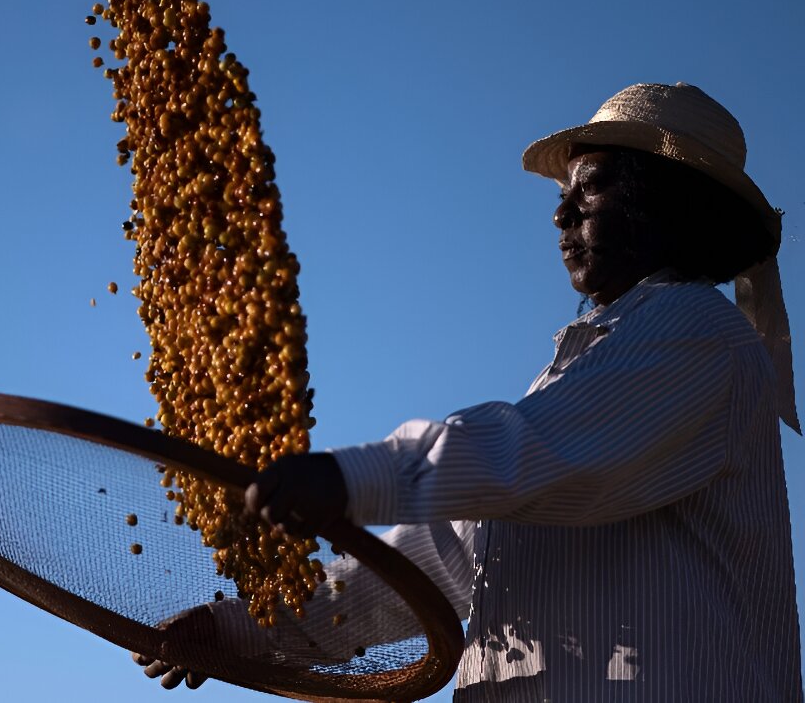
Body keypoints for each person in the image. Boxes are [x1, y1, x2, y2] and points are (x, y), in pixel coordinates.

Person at [137, 83, 803, 700]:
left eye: (590, 189)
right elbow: (432, 564)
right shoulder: (579, 373)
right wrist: (239, 628)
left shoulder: (695, 331)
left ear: (667, 206)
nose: (560, 213)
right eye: (563, 193)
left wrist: (352, 475)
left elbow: (531, 453)